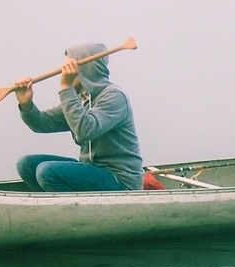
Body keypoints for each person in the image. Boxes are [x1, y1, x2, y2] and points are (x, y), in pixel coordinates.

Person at [14, 42, 145, 192]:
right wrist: (26, 104)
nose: (62, 72)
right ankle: (53, 207)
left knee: (47, 171)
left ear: (84, 69)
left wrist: (67, 88)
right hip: (92, 170)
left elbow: (86, 130)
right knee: (26, 165)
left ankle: (70, 211)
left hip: (120, 179)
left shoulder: (114, 96)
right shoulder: (80, 99)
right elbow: (42, 124)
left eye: (69, 67)